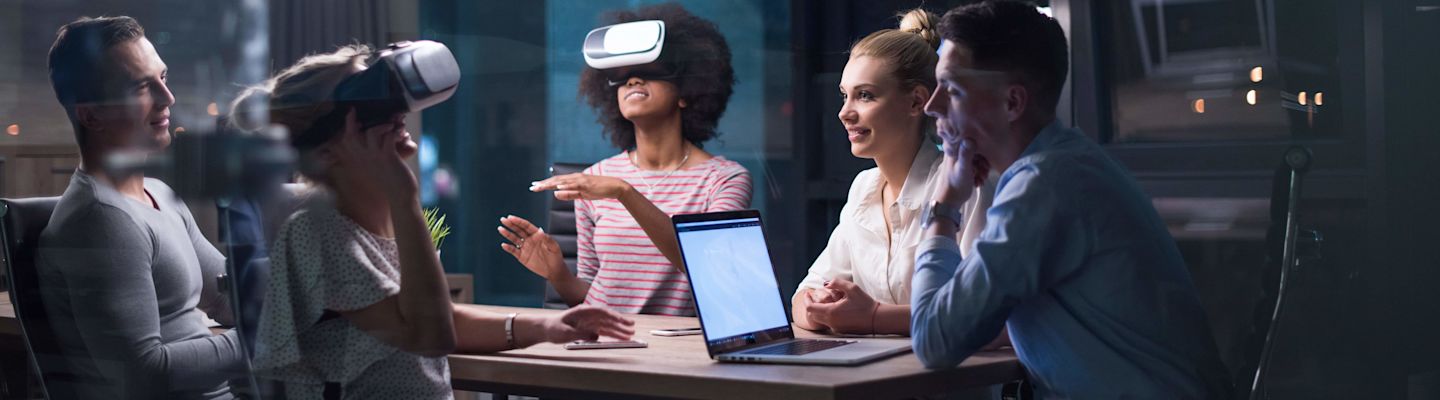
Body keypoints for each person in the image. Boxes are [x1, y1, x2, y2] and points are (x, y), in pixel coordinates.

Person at [242, 45, 635, 399]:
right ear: (327, 151)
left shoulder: (383, 222)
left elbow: (437, 315)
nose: (395, 111)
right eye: (366, 109)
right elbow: (430, 335)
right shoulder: (317, 230)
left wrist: (545, 327)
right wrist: (404, 195)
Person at [909, 1, 1232, 398]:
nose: (932, 105)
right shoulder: (1066, 165)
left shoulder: (1042, 186)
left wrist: (944, 208)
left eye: (953, 89)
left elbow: (933, 340)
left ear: (1012, 102)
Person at [35, 16, 247, 399]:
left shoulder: (159, 194)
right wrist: (261, 341)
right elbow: (144, 372)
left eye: (162, 77)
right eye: (141, 87)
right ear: (91, 115)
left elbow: (225, 296)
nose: (167, 98)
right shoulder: (100, 220)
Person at [499, 3, 752, 316]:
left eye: (650, 72)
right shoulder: (597, 179)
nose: (633, 81)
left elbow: (707, 268)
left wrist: (625, 192)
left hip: (679, 356)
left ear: (686, 91)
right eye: (622, 76)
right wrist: (559, 275)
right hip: (608, 349)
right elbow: (589, 300)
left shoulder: (724, 179)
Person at [792, 9, 994, 336]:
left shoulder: (967, 183)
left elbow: (980, 312)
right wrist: (819, 307)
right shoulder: (864, 188)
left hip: (948, 383)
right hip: (878, 379)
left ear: (917, 102)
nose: (845, 113)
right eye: (845, 95)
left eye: (865, 95)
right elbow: (804, 294)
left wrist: (872, 316)